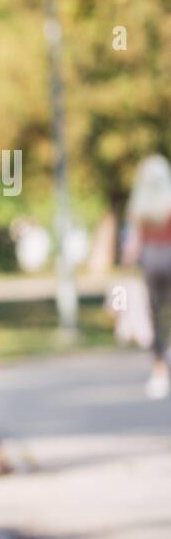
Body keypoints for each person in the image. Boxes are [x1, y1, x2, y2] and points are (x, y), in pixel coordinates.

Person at [121, 154, 171, 399]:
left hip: (151, 261)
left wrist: (127, 263)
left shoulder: (139, 209)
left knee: (156, 317)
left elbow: (132, 245)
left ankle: (159, 368)